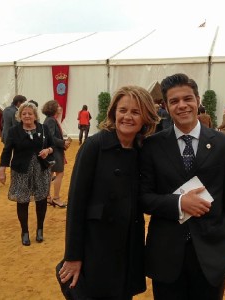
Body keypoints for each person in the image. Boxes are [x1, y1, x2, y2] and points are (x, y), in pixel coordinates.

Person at [140, 73, 225, 299]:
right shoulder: (152, 145)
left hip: (212, 253)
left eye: (188, 99)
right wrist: (179, 202)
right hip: (167, 254)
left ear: (197, 100)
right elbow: (144, 197)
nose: (182, 105)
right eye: (174, 101)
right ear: (165, 106)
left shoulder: (224, 145)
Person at [58, 86, 159, 300]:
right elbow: (76, 203)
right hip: (97, 246)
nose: (127, 117)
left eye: (135, 112)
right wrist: (73, 256)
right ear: (113, 112)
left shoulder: (142, 149)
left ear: (146, 117)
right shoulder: (95, 146)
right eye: (123, 110)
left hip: (129, 245)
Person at [0, 101, 54, 246]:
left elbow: (52, 144)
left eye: (30, 113)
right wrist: (2, 170)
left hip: (41, 170)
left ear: (35, 115)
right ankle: (25, 232)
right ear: (19, 115)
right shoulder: (14, 131)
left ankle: (40, 229)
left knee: (41, 199)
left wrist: (48, 150)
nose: (27, 116)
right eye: (24, 113)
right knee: (22, 200)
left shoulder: (43, 128)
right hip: (21, 171)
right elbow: (6, 151)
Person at [42, 100, 71, 208]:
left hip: (53, 151)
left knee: (50, 174)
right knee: (59, 173)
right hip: (54, 152)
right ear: (53, 108)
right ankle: (56, 198)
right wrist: (63, 142)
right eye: (58, 106)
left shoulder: (50, 119)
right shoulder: (50, 120)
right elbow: (51, 138)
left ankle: (48, 197)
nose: (60, 107)